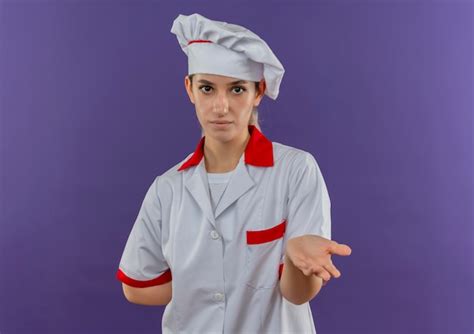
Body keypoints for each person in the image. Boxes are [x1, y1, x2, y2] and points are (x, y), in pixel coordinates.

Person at [116, 13, 352, 333]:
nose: (221, 106)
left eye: (237, 90)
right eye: (208, 88)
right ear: (190, 89)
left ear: (258, 92)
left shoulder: (295, 171)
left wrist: (296, 261)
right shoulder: (167, 188)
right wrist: (211, 285)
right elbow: (136, 286)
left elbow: (297, 294)